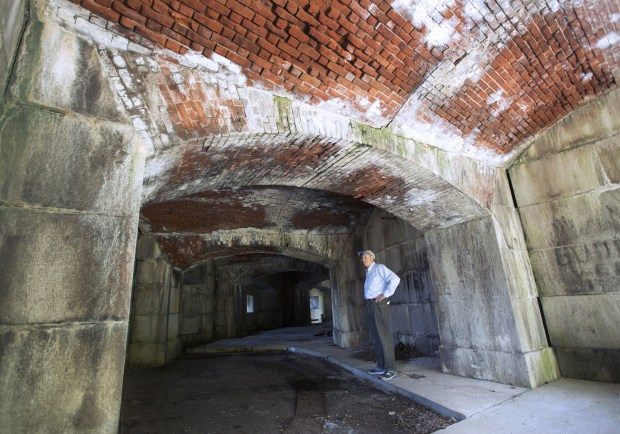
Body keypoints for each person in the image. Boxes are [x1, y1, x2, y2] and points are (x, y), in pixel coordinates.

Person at [358, 249, 400, 380]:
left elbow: (395, 279)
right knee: (376, 337)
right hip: (371, 304)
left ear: (372, 258)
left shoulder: (379, 268)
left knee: (384, 335)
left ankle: (391, 369)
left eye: (365, 257)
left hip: (379, 305)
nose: (362, 260)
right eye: (362, 258)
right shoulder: (369, 272)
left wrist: (385, 294)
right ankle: (381, 366)